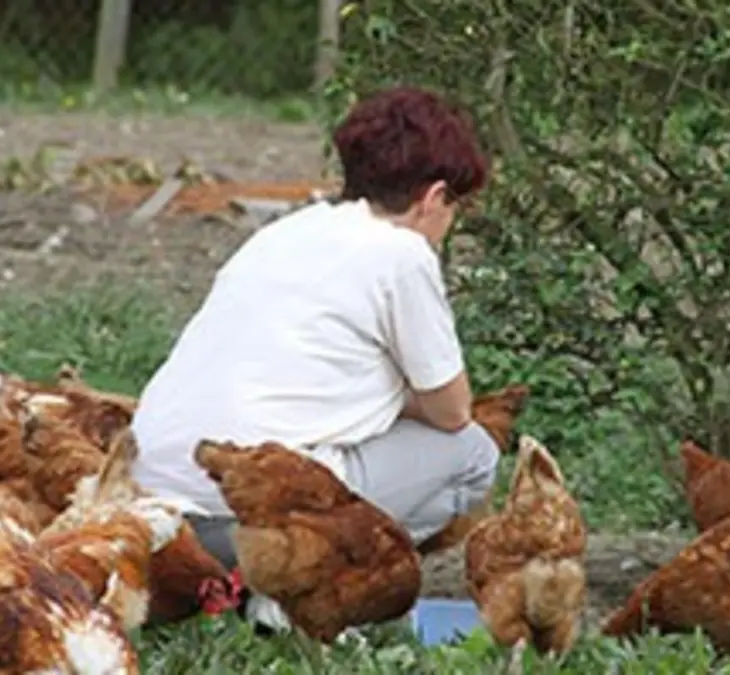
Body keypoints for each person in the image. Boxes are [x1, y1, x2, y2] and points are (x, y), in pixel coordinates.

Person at [129, 86, 499, 630]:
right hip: (242, 524)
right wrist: (392, 394)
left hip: (150, 505)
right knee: (472, 455)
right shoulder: (402, 253)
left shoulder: (289, 231)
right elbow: (451, 411)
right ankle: (315, 594)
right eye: (456, 206)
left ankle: (261, 594)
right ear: (434, 196)